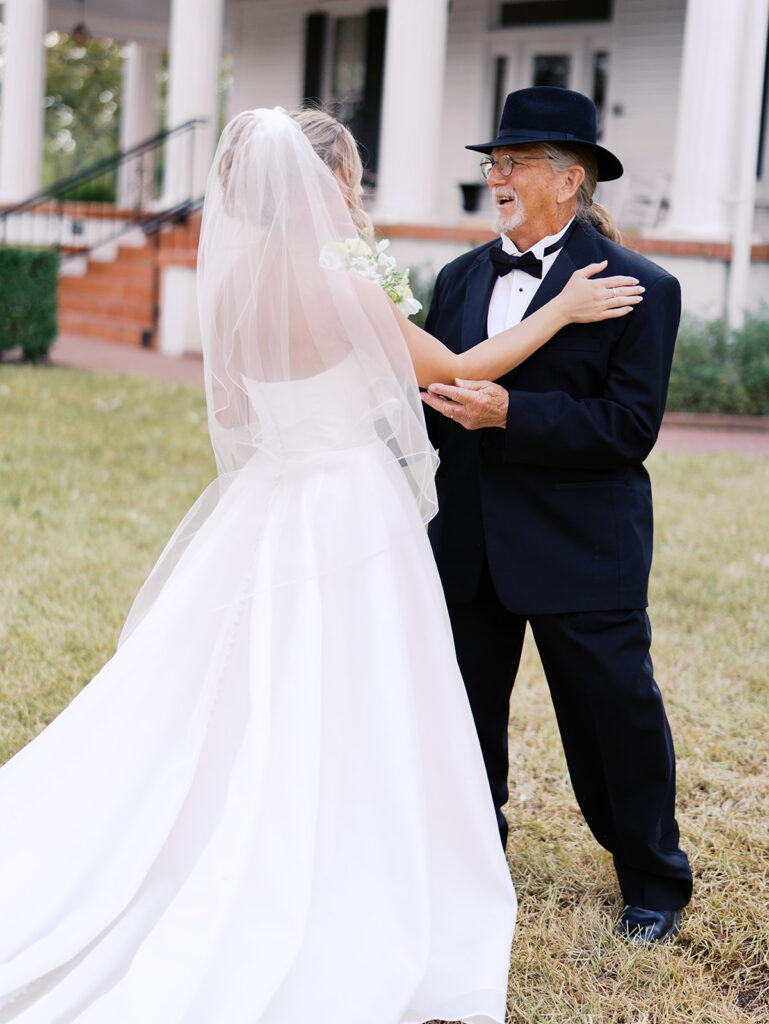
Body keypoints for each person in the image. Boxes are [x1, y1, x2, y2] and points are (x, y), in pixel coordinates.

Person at [0, 107, 640, 1023]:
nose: (360, 193)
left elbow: (233, 412)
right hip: (344, 503)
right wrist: (565, 308)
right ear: (328, 182)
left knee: (242, 684)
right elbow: (455, 367)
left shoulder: (227, 286)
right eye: (354, 178)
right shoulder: (344, 280)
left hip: (267, 496)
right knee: (353, 680)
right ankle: (335, 851)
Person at [420, 86, 693, 946]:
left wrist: (512, 415)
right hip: (466, 538)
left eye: (515, 164)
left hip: (582, 544)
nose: (496, 177)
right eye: (493, 164)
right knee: (462, 716)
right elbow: (428, 398)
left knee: (614, 715)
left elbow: (627, 429)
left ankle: (652, 878)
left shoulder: (642, 286)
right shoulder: (458, 277)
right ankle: (470, 860)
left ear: (570, 180)